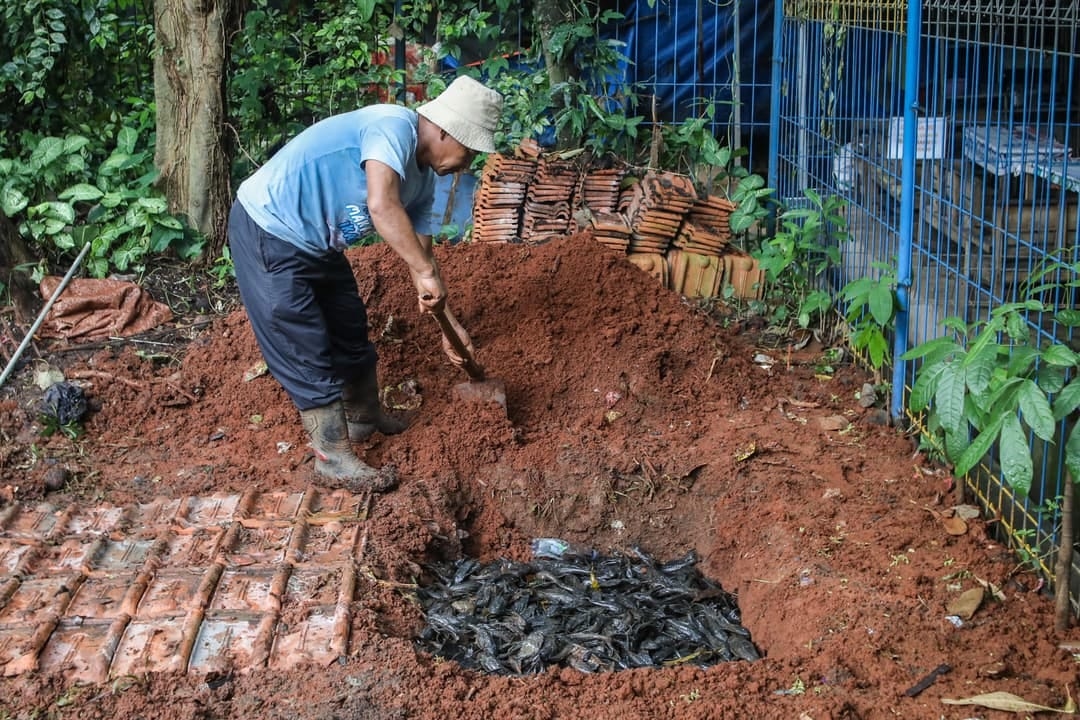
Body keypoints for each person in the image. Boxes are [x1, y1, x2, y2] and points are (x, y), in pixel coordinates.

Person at [227, 75, 504, 493]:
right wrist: (425, 273)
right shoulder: (392, 126)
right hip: (269, 227)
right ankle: (332, 458)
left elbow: (421, 257)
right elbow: (381, 204)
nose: (466, 166)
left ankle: (363, 418)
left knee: (349, 327)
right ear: (446, 130)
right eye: (468, 152)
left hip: (318, 244)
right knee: (301, 340)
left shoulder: (427, 181)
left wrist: (448, 322)